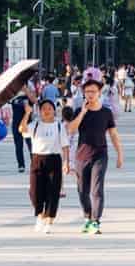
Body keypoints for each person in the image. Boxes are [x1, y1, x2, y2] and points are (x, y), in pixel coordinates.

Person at [72, 77, 124, 235]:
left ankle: (95, 221)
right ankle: (87, 217)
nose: (90, 95)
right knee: (82, 191)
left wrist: (120, 154)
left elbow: (114, 134)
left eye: (93, 91)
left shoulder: (106, 113)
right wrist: (82, 113)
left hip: (100, 154)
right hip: (82, 156)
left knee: (97, 190)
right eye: (87, 92)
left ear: (99, 92)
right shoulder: (79, 111)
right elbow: (71, 129)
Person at [23, 97, 68, 232]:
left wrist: (66, 162)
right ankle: (40, 215)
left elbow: (65, 146)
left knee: (53, 192)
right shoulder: (35, 125)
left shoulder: (59, 126)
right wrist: (27, 113)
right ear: (39, 111)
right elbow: (21, 129)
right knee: (34, 191)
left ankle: (49, 220)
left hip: (54, 159)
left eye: (49, 108)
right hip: (37, 159)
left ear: (54, 111)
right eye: (43, 109)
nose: (47, 111)